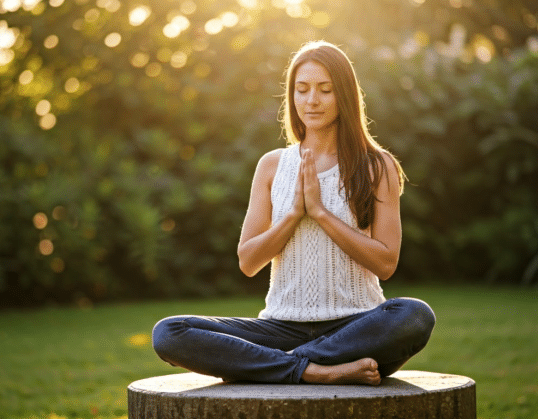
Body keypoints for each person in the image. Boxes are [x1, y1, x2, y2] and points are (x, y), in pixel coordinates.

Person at [152, 41, 435, 385]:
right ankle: (316, 370)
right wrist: (292, 216)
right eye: (302, 90)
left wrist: (320, 213)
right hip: (280, 326)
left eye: (324, 90)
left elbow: (386, 263)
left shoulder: (377, 166)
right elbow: (248, 260)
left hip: (355, 328)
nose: (311, 100)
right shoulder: (272, 166)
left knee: (414, 315)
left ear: (343, 95)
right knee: (170, 332)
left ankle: (277, 366)